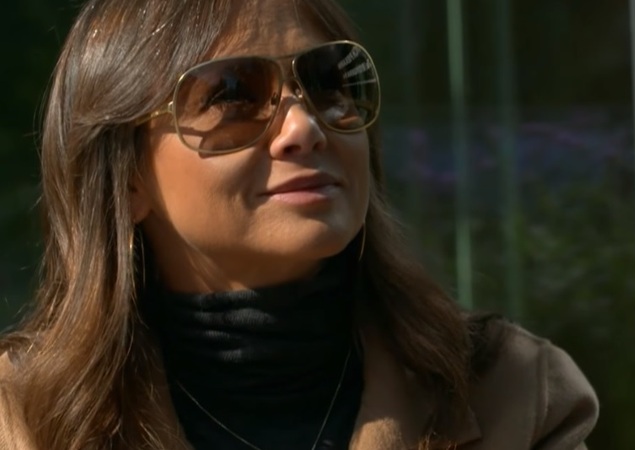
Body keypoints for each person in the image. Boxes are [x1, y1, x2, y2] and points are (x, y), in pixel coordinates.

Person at [0, 0, 599, 449]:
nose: (304, 128)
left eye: (329, 83)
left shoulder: (513, 395)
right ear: (127, 178)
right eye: (232, 95)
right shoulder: (19, 421)